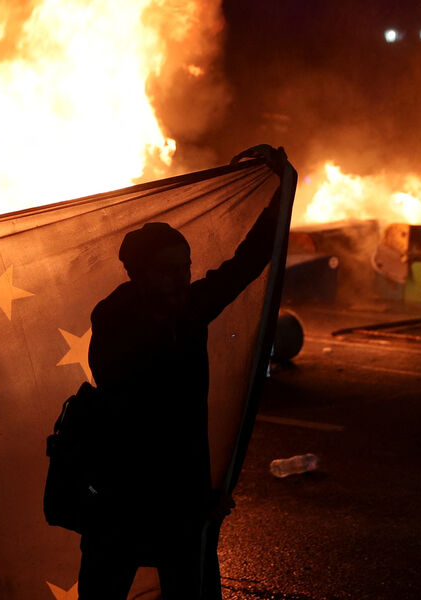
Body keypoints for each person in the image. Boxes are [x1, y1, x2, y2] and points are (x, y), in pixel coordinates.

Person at [78, 148, 286, 600]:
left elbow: (246, 264)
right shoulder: (114, 320)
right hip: (123, 499)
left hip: (182, 502)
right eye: (167, 271)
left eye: (185, 268)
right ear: (138, 275)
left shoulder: (188, 308)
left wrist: (281, 192)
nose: (180, 279)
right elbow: (134, 412)